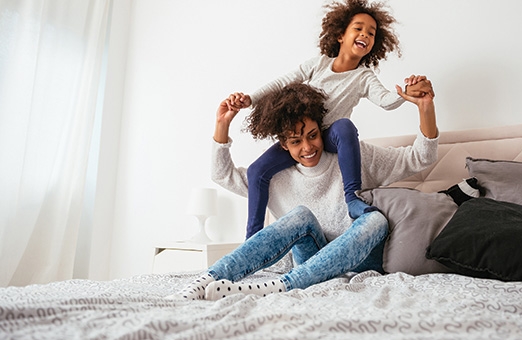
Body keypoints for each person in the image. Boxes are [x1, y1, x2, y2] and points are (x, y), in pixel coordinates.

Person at [169, 79, 437, 300]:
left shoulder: (355, 156)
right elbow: (222, 175)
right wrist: (222, 125)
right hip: (311, 261)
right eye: (296, 142)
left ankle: (283, 286)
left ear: (322, 130)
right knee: (300, 215)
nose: (307, 148)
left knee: (376, 219)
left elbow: (419, 158)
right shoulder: (275, 178)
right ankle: (209, 278)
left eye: (312, 135)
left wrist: (426, 108)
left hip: (362, 260)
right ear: (283, 145)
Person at [227, 0, 430, 239]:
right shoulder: (319, 64)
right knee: (257, 170)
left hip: (330, 137)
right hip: (304, 135)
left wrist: (404, 93)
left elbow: (385, 100)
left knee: (344, 126)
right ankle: (253, 237)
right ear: (340, 35)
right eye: (358, 28)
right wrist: (249, 99)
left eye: (371, 33)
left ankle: (352, 198)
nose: (365, 34)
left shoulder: (364, 77)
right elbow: (282, 82)